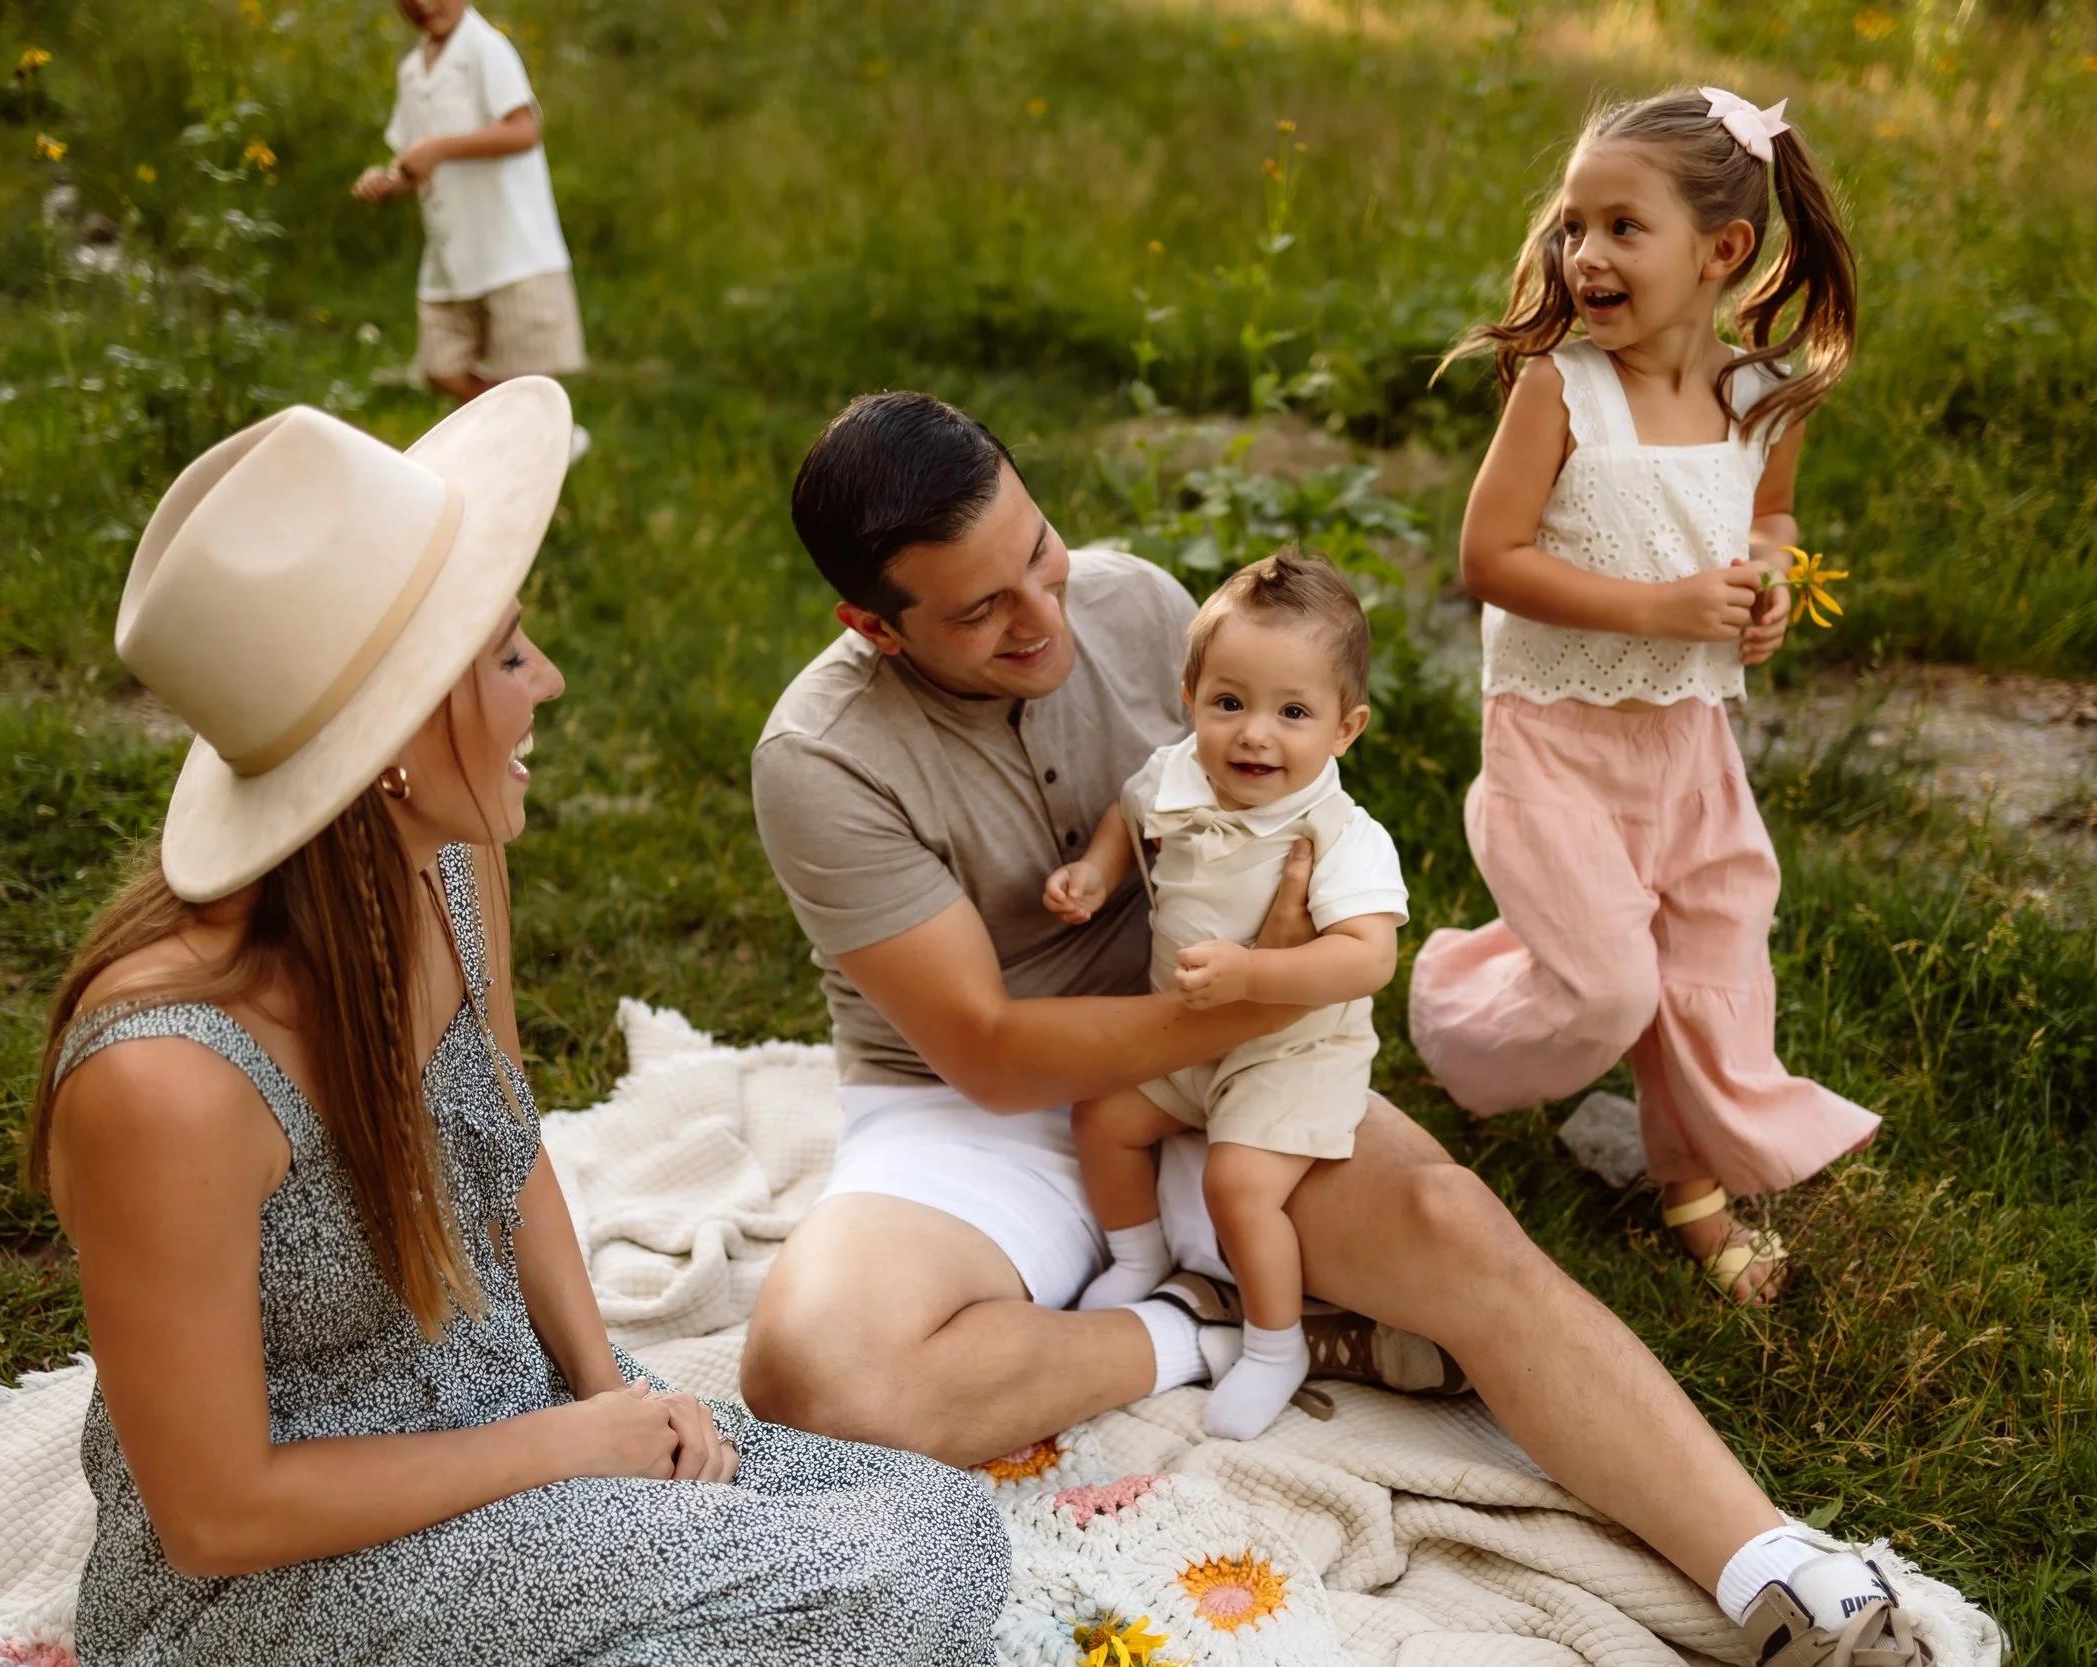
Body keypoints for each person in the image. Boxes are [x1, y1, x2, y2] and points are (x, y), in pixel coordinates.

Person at [743, 389, 1941, 1662]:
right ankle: (1210, 1327)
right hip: (975, 1110)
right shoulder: (820, 758)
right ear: (873, 626)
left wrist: (1277, 988)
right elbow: (987, 1052)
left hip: (1238, 1052)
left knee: (1456, 1228)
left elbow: (1294, 819)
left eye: (1039, 553)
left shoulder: (1140, 605)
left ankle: (1780, 1570)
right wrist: (1248, 992)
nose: (1043, 616)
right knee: (819, 1375)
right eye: (981, 609)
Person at [31, 380, 1005, 1665]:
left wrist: (608, 1388)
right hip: (290, 1566)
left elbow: (501, 1126)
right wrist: (570, 1444)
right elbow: (216, 1515)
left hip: (503, 1411)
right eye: (503, 654)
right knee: (889, 1583)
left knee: (940, 1524)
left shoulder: (447, 860)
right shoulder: (164, 1080)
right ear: (389, 742)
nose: (546, 675)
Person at [1410, 85, 1880, 1309]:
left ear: (1722, 251)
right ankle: (1453, 1018)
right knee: (1606, 991)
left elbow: (1771, 519)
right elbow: (1489, 558)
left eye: (1623, 227)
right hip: (1555, 745)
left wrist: (1769, 587)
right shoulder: (1561, 389)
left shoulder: (1761, 394)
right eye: (1575, 225)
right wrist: (1659, 607)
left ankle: (1692, 1190)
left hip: (1689, 747)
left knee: (1713, 966)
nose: (1584, 254)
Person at [1046, 550, 1406, 1440]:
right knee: (1102, 1115)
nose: (1255, 735)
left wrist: (1254, 977)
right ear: (1190, 697)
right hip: (1186, 1038)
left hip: (1292, 1049)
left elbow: (1368, 958)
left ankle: (1275, 1344)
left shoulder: (1340, 833)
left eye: (1293, 713)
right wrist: (1095, 873)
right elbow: (1127, 815)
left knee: (1238, 1182)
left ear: (1346, 727)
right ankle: (1139, 1257)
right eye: (1230, 703)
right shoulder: (1176, 776)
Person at [351, 0, 591, 460]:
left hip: (513, 252)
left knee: (521, 381)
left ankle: (532, 464)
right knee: (440, 368)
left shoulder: (485, 48)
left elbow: (524, 130)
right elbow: (416, 163)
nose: (423, 5)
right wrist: (388, 180)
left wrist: (440, 149)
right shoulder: (412, 71)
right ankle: (546, 438)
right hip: (452, 257)